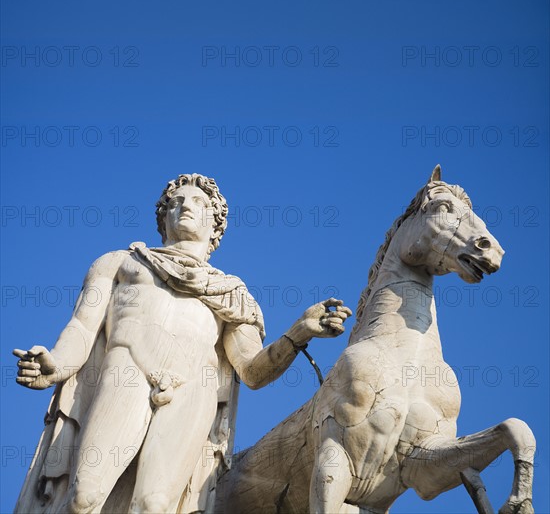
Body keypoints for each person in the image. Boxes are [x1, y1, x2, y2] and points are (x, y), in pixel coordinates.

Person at [14, 173, 352, 514]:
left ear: (216, 224)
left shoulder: (232, 293)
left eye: (198, 202)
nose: (185, 206)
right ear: (164, 218)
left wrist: (300, 331)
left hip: (193, 387)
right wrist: (55, 364)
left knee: (155, 505)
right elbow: (83, 328)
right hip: (125, 372)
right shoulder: (121, 262)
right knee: (83, 495)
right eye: (176, 202)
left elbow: (252, 371)